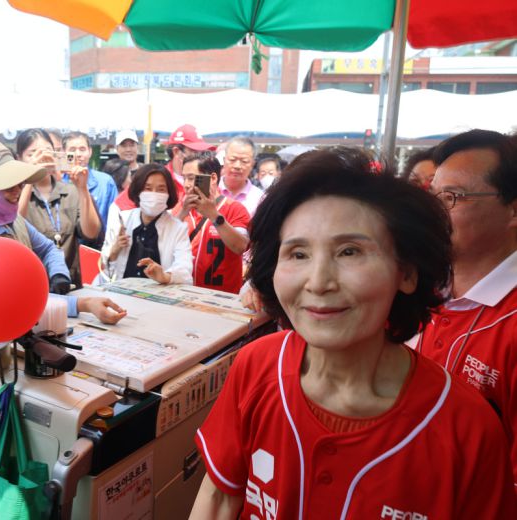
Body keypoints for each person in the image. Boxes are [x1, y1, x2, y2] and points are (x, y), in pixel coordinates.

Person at [190, 148, 516, 519]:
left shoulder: (467, 429)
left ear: (406, 273)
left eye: (349, 251)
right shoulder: (257, 365)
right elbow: (219, 499)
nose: (319, 282)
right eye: (297, 254)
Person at [412, 129, 517, 485]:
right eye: (433, 194)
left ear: (513, 210)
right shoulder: (416, 286)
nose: (434, 211)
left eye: (452, 197)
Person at [0, 139, 73, 294]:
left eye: (20, 184)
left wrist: (58, 274)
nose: (17, 192)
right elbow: (6, 299)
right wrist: (78, 304)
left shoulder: (15, 222)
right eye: (8, 186)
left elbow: (48, 248)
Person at [16, 128, 100, 288]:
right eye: (32, 154)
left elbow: (91, 233)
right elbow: (15, 226)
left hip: (70, 284)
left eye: (47, 151)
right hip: (32, 286)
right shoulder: (14, 193)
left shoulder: (70, 190)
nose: (41, 158)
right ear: (19, 159)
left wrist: (83, 189)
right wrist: (29, 178)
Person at [98, 164, 192, 285]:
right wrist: (114, 251)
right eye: (148, 188)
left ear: (169, 194)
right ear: (138, 191)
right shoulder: (123, 219)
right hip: (122, 294)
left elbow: (185, 271)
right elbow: (104, 266)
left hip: (159, 299)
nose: (154, 194)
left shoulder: (177, 228)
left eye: (161, 189)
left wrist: (165, 276)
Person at [177, 153, 249, 294]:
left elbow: (241, 246)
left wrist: (214, 216)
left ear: (213, 178)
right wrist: (182, 213)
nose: (186, 184)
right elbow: (164, 242)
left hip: (222, 298)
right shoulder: (180, 208)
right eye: (184, 178)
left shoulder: (234, 209)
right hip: (183, 294)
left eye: (192, 178)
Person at [62, 131, 118, 235]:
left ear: (90, 152)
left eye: (82, 149)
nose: (78, 154)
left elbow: (115, 221)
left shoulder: (106, 182)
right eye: (72, 150)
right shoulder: (58, 183)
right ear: (64, 153)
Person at [219, 137, 263, 217]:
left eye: (244, 161)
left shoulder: (260, 198)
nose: (237, 166)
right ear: (224, 160)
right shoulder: (210, 190)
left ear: (252, 164)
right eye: (232, 160)